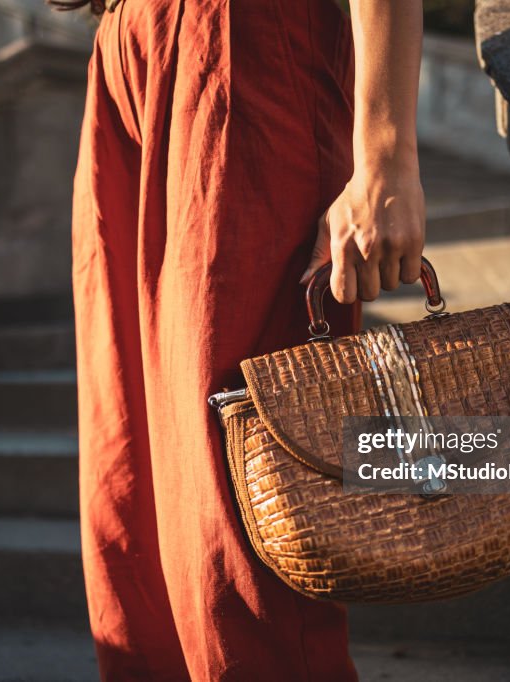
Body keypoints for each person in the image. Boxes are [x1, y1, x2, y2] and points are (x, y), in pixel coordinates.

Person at [52, 0, 425, 678]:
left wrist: (387, 154)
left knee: (244, 506)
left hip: (242, 42)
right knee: (131, 514)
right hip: (124, 44)